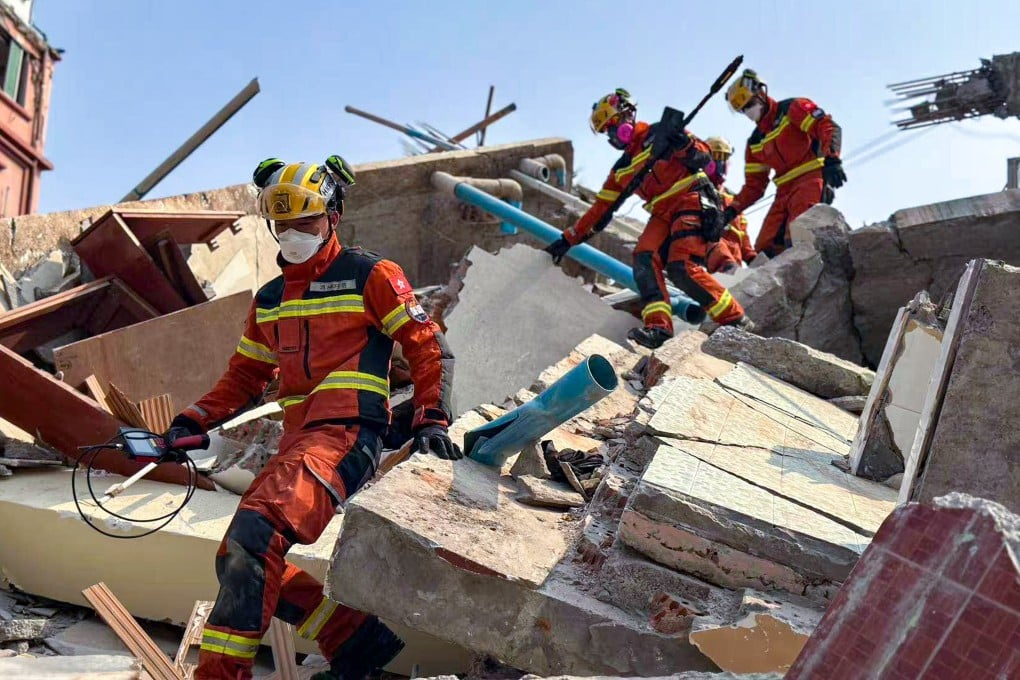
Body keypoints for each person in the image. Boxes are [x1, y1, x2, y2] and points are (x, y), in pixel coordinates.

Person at [164, 156, 461, 680]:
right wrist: (193, 418)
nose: (295, 234)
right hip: (299, 443)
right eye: (284, 224)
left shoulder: (371, 275)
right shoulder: (271, 299)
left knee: (254, 538)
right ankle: (353, 636)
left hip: (348, 436)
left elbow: (424, 344)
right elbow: (243, 377)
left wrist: (431, 417)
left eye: (307, 220)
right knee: (239, 555)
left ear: (333, 216)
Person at [544, 89, 752, 349]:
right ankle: (659, 327)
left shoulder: (662, 132)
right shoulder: (621, 168)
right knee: (643, 256)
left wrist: (683, 145)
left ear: (628, 115)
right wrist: (567, 239)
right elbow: (600, 209)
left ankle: (736, 321)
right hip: (663, 213)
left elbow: (705, 159)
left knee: (681, 266)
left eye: (612, 126)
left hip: (691, 198)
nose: (611, 136)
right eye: (607, 132)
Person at [723, 69, 846, 258]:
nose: (749, 111)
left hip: (811, 178)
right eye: (744, 109)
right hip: (784, 192)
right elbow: (754, 186)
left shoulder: (792, 109)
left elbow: (826, 126)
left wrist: (832, 159)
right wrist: (731, 210)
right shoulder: (755, 142)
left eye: (751, 104)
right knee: (765, 247)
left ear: (761, 93)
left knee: (799, 234)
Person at [703, 136, 756, 274]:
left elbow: (742, 236)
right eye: (716, 156)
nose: (720, 162)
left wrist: (752, 258)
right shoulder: (697, 191)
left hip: (734, 269)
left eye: (724, 158)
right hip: (712, 267)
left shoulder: (733, 201)